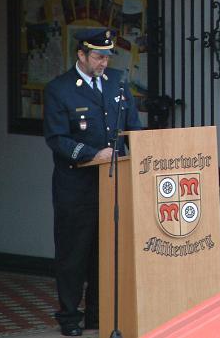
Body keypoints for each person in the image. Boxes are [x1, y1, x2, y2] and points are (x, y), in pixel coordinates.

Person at [44, 28, 141, 336]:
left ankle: (100, 315)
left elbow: (133, 128)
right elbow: (57, 138)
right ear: (81, 55)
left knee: (107, 251)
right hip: (77, 184)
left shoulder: (117, 83)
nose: (103, 63)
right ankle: (70, 317)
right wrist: (92, 153)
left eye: (106, 57)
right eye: (98, 57)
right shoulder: (60, 89)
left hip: (113, 182)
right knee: (75, 252)